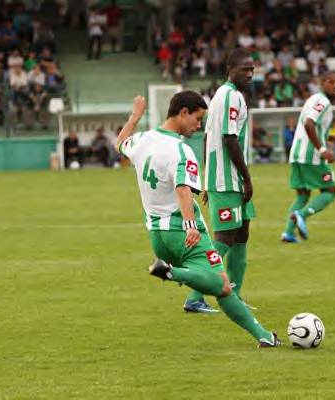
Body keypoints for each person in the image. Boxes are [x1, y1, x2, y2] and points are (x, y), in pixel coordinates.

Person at [114, 92, 280, 348]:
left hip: (157, 235)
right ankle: (169, 272)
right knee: (221, 284)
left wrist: (136, 116)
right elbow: (182, 189)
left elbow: (120, 143)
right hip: (183, 233)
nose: (199, 125)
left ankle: (265, 337)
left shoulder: (143, 140)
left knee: (221, 285)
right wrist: (191, 226)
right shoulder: (181, 149)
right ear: (183, 112)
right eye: (197, 118)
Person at [184, 48, 256, 313]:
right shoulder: (230, 97)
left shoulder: (221, 97)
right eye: (244, 69)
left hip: (227, 179)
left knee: (241, 235)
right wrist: (246, 179)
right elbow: (229, 139)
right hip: (228, 181)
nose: (249, 74)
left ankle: (234, 293)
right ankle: (194, 296)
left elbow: (207, 138)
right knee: (224, 238)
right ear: (230, 69)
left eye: (252, 70)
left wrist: (205, 179)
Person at [281, 72, 335, 243]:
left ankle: (288, 233)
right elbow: (309, 123)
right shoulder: (323, 101)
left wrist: (332, 138)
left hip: (296, 154)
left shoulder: (312, 99)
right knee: (330, 191)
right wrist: (322, 149)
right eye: (331, 82)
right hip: (312, 156)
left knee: (302, 194)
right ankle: (301, 215)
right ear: (322, 83)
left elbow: (312, 127)